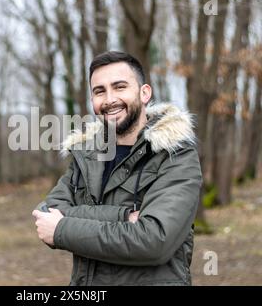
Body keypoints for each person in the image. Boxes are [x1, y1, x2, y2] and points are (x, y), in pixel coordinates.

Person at [32, 51, 203, 286]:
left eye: (120, 87)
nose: (110, 99)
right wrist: (121, 215)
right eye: (99, 91)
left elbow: (154, 242)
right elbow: (46, 214)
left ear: (144, 93)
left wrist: (63, 227)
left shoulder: (175, 155)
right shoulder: (86, 155)